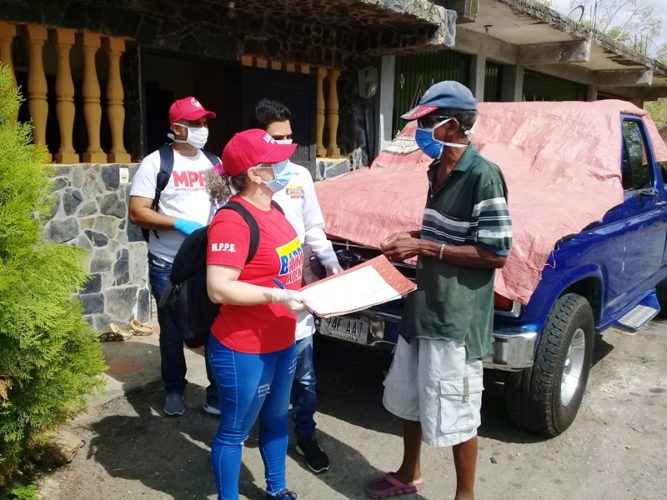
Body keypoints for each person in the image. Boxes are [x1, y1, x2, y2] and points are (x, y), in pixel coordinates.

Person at [364, 81, 513, 500]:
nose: (420, 132)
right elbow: (442, 232)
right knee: (409, 395)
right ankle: (409, 473)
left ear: (451, 125)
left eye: (427, 123)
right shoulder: (436, 170)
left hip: (455, 318)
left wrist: (424, 245)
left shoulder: (484, 176)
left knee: (458, 411)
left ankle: (464, 494)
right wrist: (410, 235)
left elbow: (496, 252)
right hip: (423, 306)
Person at [206, 129, 307, 500]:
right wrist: (276, 295)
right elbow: (218, 287)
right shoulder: (233, 219)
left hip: (282, 339)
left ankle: (277, 489)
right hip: (243, 348)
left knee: (277, 419)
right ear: (254, 172)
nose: (283, 166)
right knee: (235, 431)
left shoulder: (275, 209)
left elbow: (285, 266)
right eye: (275, 162)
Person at [251, 99, 342, 474]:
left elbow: (313, 229)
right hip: (258, 298)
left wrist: (332, 263)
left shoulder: (301, 177)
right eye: (276, 138)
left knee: (305, 379)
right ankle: (257, 431)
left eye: (290, 137)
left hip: (298, 293)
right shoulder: (244, 180)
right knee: (261, 378)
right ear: (259, 140)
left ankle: (305, 436)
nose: (285, 145)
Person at [129, 96, 220, 417]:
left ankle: (216, 394)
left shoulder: (214, 162)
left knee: (213, 329)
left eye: (204, 123)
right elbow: (137, 212)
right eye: (195, 124)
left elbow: (226, 201)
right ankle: (174, 389)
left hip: (207, 263)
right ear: (176, 128)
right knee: (171, 331)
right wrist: (177, 223)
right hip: (167, 264)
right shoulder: (156, 163)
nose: (202, 129)